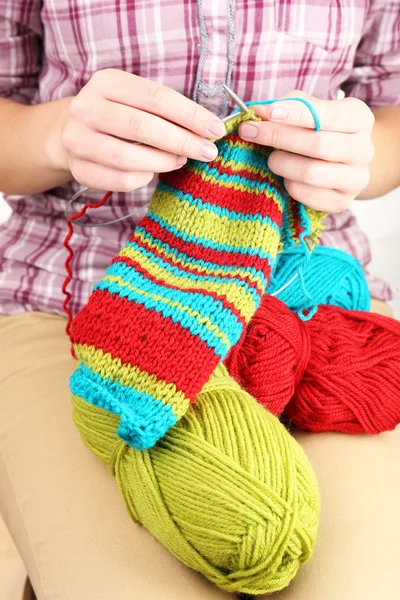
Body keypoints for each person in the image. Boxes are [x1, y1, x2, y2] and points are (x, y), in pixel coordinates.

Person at [0, 1, 399, 599]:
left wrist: (354, 157)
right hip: (73, 298)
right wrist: (57, 135)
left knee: (359, 586)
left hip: (309, 296)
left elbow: (391, 117)